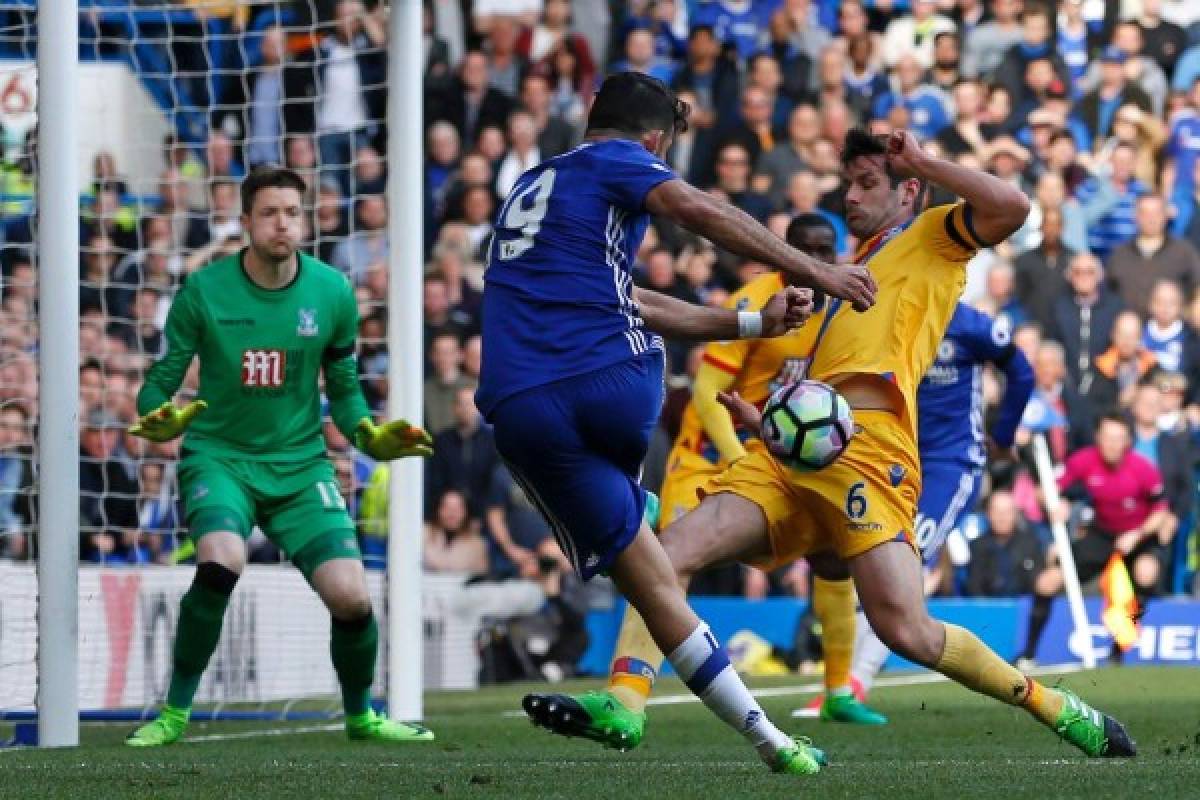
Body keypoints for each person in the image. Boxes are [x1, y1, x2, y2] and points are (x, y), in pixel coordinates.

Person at [526, 128, 1135, 760]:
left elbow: (1012, 207)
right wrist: (771, 423)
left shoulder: (933, 238)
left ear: (909, 190)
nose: (850, 196)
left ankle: (1056, 706)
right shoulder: (849, 271)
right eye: (847, 183)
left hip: (869, 452)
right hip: (792, 452)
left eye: (867, 183)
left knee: (905, 629)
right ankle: (625, 704)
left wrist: (925, 159)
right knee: (666, 553)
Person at [481, 72, 876, 775]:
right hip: (612, 387)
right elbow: (699, 210)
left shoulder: (533, 188)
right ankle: (648, 513)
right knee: (655, 567)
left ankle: (774, 743)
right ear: (657, 142)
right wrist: (816, 269)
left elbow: (626, 297)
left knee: (655, 585)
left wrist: (748, 322)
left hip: (516, 407)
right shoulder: (624, 161)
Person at [124, 167, 436, 747]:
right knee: (222, 560)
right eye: (269, 213)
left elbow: (342, 389)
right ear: (245, 222)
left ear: (306, 218)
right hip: (220, 457)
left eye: (292, 212)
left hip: (299, 466)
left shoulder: (332, 292)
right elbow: (159, 383)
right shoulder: (203, 291)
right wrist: (155, 414)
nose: (283, 224)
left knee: (351, 594)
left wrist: (369, 437)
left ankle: (361, 716)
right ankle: (173, 713)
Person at [600, 214, 887, 729]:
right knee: (666, 563)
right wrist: (739, 456)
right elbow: (709, 396)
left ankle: (839, 689)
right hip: (709, 453)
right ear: (784, 252)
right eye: (804, 250)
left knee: (832, 553)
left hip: (774, 453)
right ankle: (627, 694)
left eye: (826, 251)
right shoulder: (754, 303)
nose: (817, 262)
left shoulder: (840, 312)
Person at [840, 302, 1034, 700]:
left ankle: (854, 684)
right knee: (873, 558)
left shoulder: (970, 324)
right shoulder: (893, 317)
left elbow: (1022, 372)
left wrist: (1004, 435)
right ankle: (844, 680)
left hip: (951, 463)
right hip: (894, 458)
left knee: (905, 557)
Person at [1017, 414, 1176, 666]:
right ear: (1098, 438)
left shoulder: (1143, 468)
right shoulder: (1083, 461)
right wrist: (1054, 504)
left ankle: (1118, 648)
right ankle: (1028, 654)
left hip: (1139, 534)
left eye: (1119, 439)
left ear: (1127, 441)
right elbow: (1046, 492)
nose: (1113, 445)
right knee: (1048, 582)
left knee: (1146, 573)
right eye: (1108, 438)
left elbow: (1161, 512)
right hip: (1101, 533)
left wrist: (1137, 535)